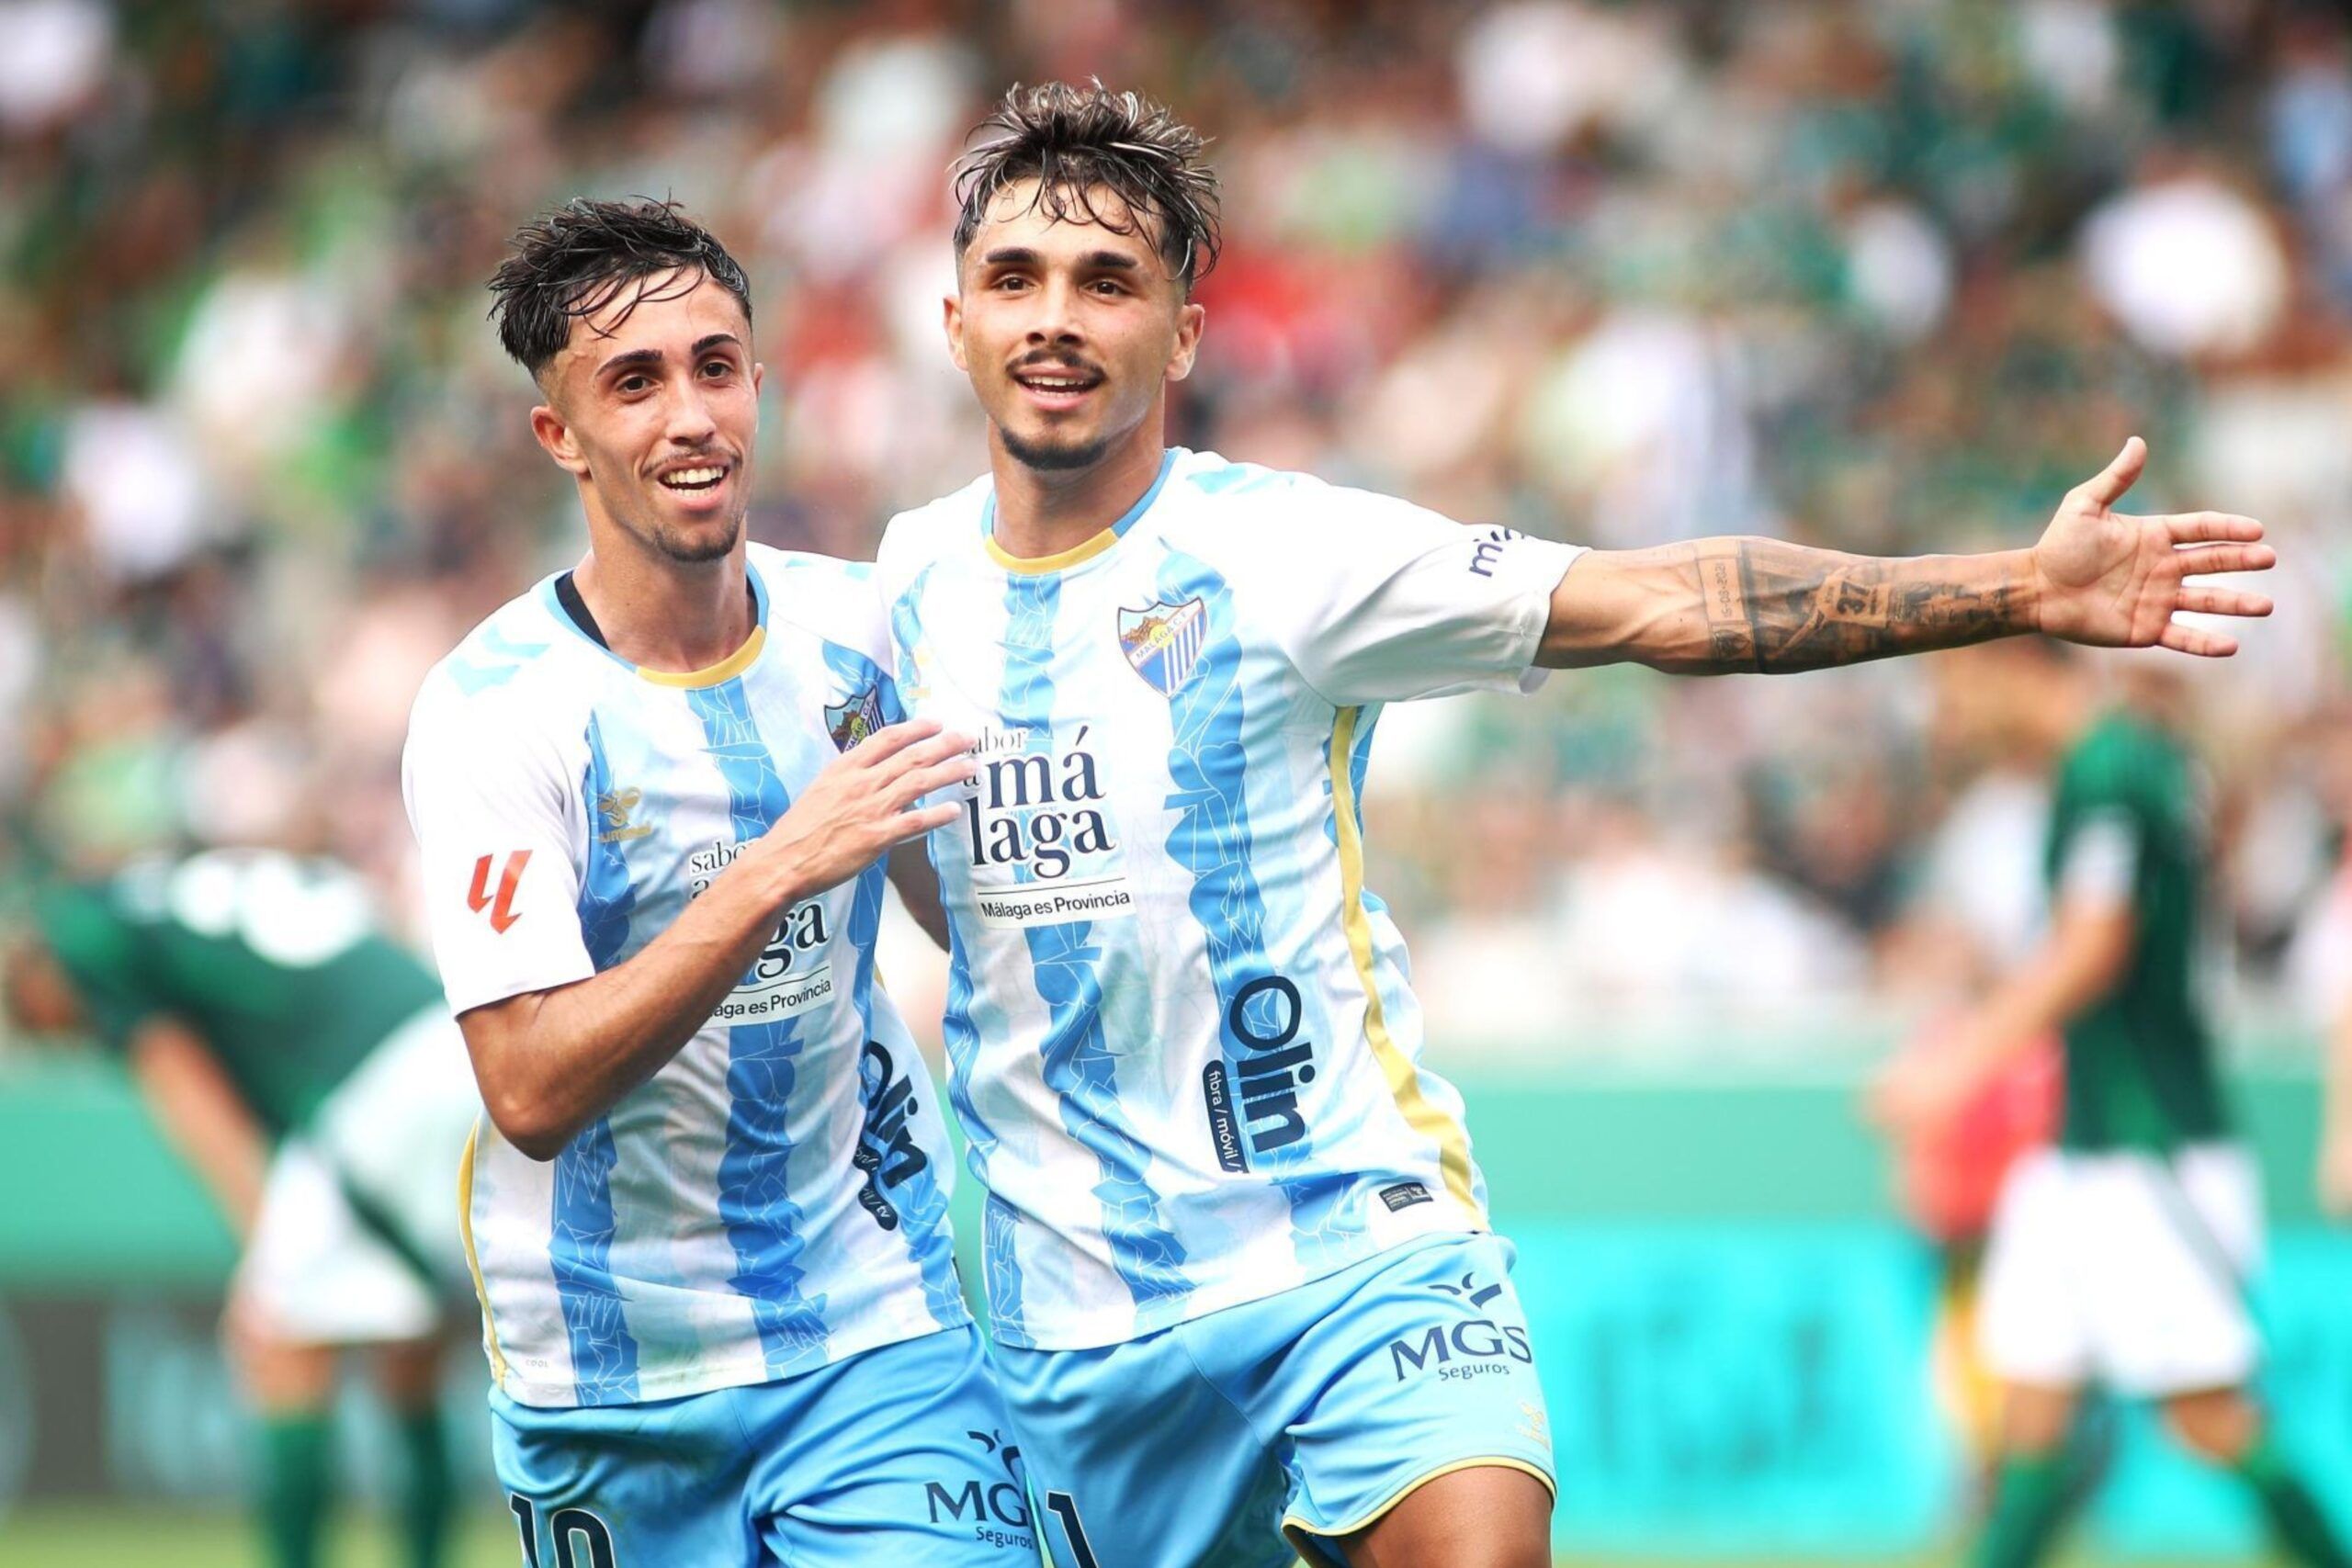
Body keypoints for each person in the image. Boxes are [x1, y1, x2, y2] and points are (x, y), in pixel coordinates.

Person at [872, 81, 2278, 1568]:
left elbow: (1667, 600)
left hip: (1360, 1251)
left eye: (1109, 281)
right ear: (955, 317)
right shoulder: (889, 603)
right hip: (1077, 1321)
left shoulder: (1288, 553)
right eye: (1014, 277)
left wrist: (2018, 588)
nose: (1056, 317)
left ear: (1184, 334)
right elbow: (927, 888)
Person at [401, 199, 1027, 1567]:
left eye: (716, 365)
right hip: (607, 1374)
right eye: (634, 382)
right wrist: (780, 864)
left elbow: (970, 911)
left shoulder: (864, 632)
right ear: (558, 435)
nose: (691, 414)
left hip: (873, 1319)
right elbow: (531, 1088)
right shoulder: (493, 711)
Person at [1873, 654, 2348, 1568]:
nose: (1944, 706)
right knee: (2030, 1416)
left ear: (2001, 658)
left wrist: (1955, 1066)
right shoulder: (2113, 764)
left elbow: (2094, 948)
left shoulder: (2110, 769)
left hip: (2148, 1144)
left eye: (1951, 675)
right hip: (2081, 1146)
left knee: (2207, 1418)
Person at [5, 847, 476, 1568]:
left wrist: (266, 1250)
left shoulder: (84, 940)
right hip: (444, 1041)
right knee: (408, 1353)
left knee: (280, 1340)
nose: (65, 1034)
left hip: (366, 1082)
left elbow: (190, 1096)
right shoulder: (162, 896)